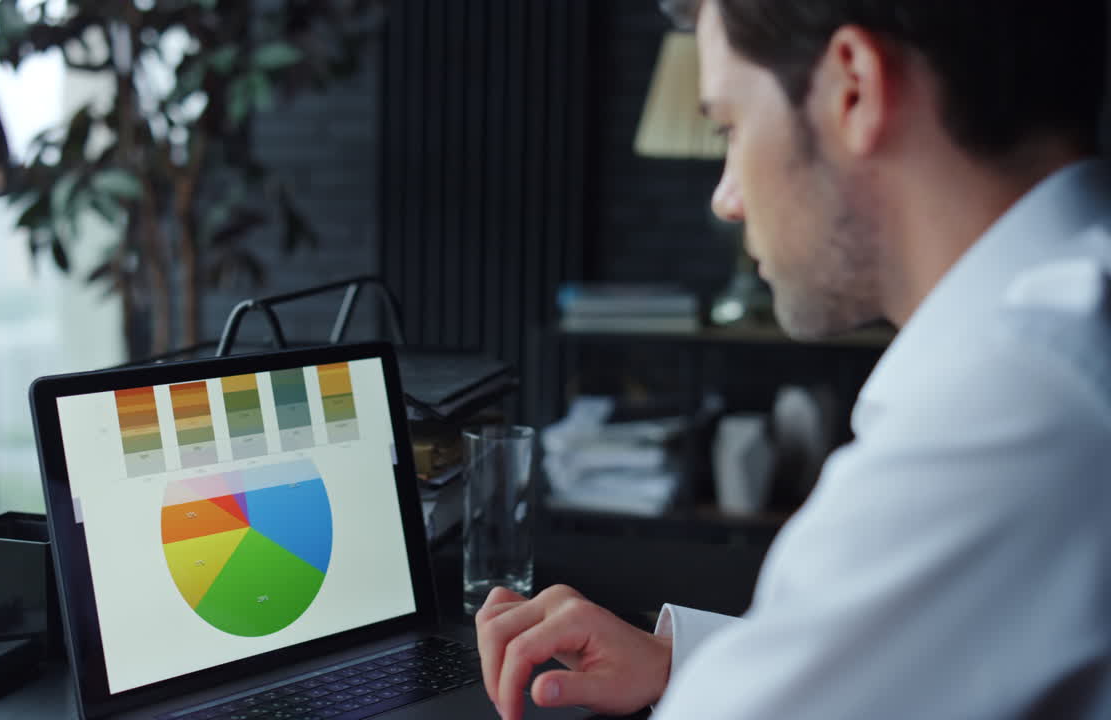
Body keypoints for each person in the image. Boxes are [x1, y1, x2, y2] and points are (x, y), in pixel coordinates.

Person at [476, 0, 1111, 717]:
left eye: (731, 126)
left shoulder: (1006, 411)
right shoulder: (1070, 333)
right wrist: (683, 662)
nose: (727, 199)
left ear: (855, 90)